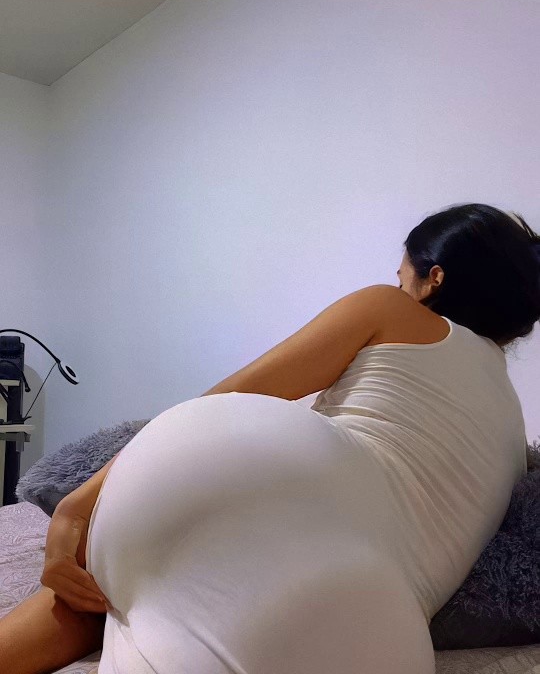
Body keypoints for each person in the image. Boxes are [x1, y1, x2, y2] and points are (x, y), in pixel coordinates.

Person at [1, 202, 538, 674]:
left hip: (265, 498)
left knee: (111, 588)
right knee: (151, 588)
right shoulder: (513, 433)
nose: (398, 289)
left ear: (434, 278)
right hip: (381, 630)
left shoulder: (389, 310)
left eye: (403, 280)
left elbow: (225, 400)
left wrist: (74, 508)